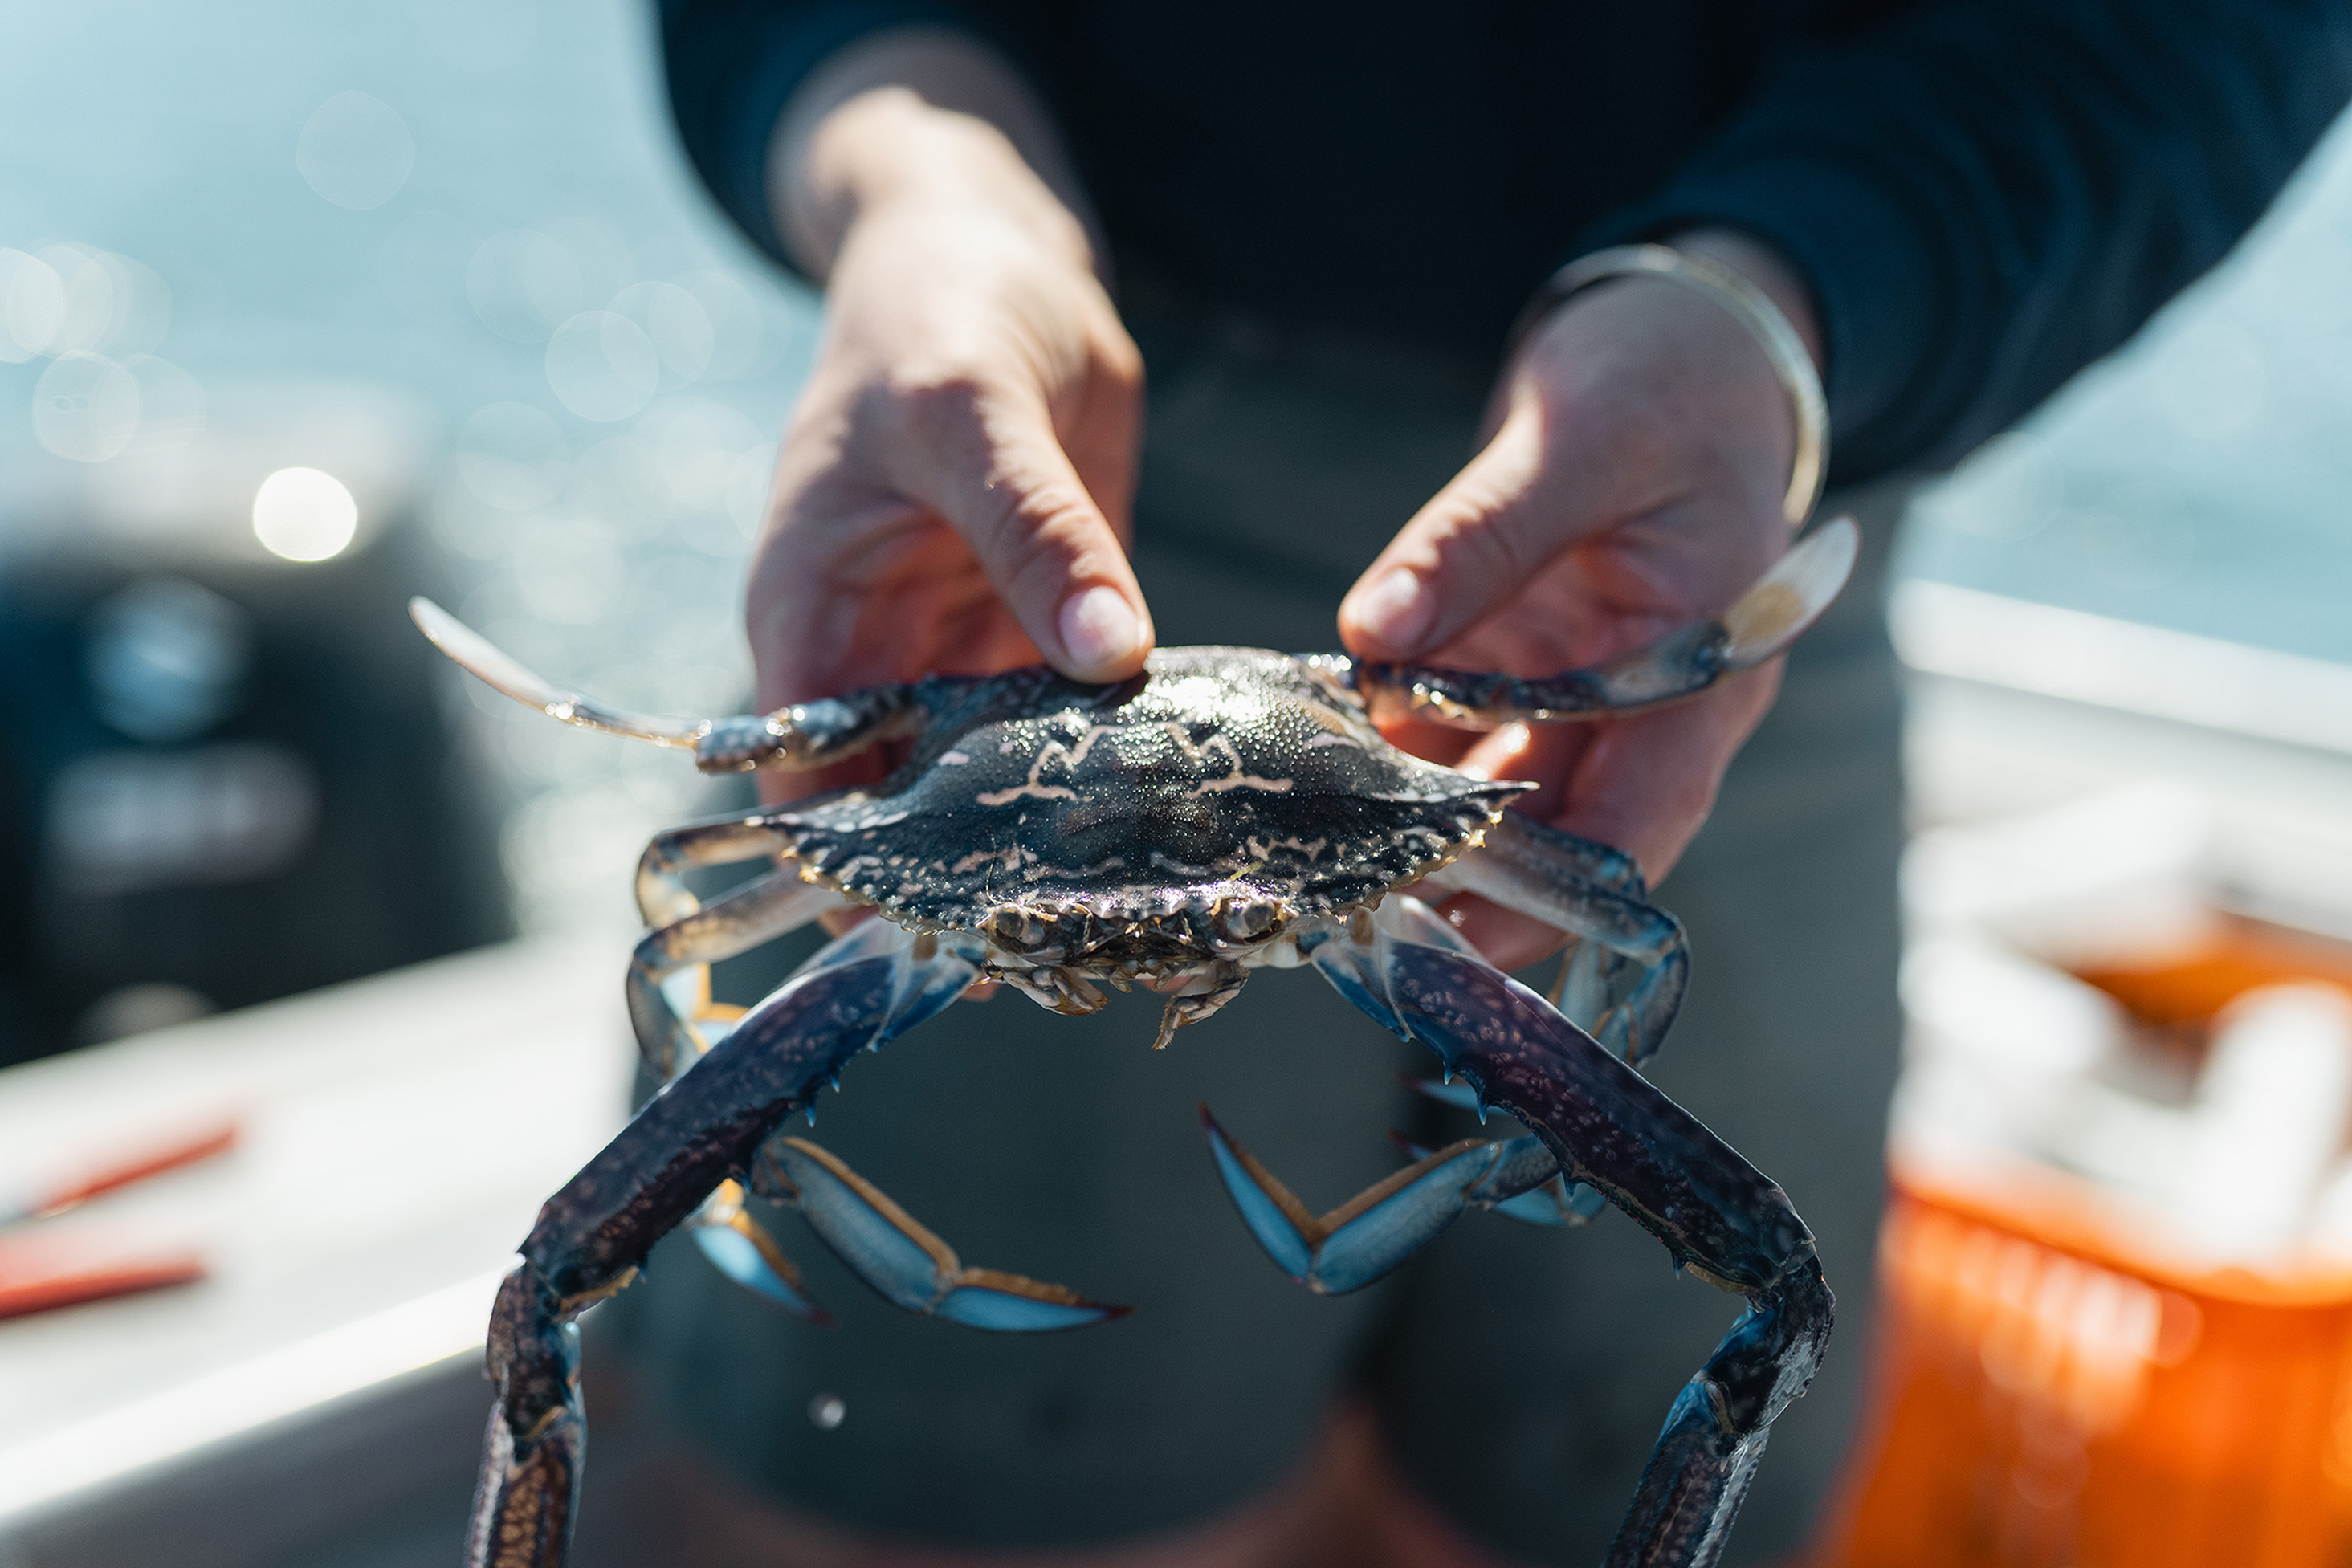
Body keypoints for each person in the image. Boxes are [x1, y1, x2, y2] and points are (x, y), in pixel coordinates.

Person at [597, 5, 2352, 1564]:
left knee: (1699, 1374)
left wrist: (1784, 307)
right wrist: (920, 168)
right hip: (1029, 479)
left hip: (1719, 525)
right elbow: (683, 927)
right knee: (911, 1503)